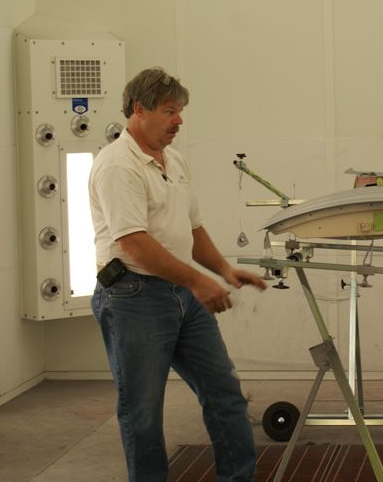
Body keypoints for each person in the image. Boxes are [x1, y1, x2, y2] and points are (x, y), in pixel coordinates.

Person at [89, 67, 267, 482]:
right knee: (143, 411)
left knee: (225, 393)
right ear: (139, 110)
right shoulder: (117, 165)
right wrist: (199, 281)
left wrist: (223, 270)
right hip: (133, 297)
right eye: (170, 111)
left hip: (182, 296)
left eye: (180, 111)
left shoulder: (175, 160)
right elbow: (134, 243)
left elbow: (192, 228)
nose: (179, 121)